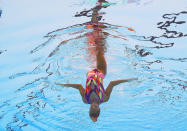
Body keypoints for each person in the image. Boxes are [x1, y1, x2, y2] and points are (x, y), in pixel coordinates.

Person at [56, 0, 137, 122]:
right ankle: (97, 14)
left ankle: (97, 14)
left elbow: (78, 86)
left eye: (92, 109)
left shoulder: (85, 100)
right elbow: (113, 83)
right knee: (99, 47)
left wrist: (64, 85)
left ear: (89, 109)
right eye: (96, 108)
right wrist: (129, 79)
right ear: (99, 108)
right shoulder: (104, 98)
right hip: (100, 71)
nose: (93, 106)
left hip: (91, 72)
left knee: (95, 42)